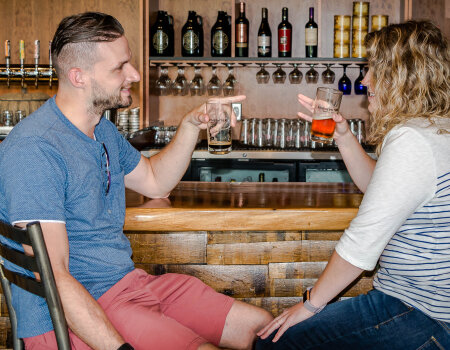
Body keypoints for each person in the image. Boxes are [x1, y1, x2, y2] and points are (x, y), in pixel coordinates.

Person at [0, 12, 273, 350]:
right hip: (73, 313)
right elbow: (55, 279)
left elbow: (156, 182)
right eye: (119, 67)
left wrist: (190, 126)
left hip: (127, 286)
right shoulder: (35, 150)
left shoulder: (102, 130)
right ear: (78, 76)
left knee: (264, 329)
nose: (134, 74)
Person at [256, 20, 450, 350]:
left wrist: (309, 305)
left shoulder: (411, 139)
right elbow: (384, 189)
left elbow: (361, 245)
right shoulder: (436, 129)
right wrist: (344, 136)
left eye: (374, 69)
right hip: (436, 310)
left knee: (276, 343)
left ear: (402, 75)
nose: (364, 81)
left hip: (420, 311)